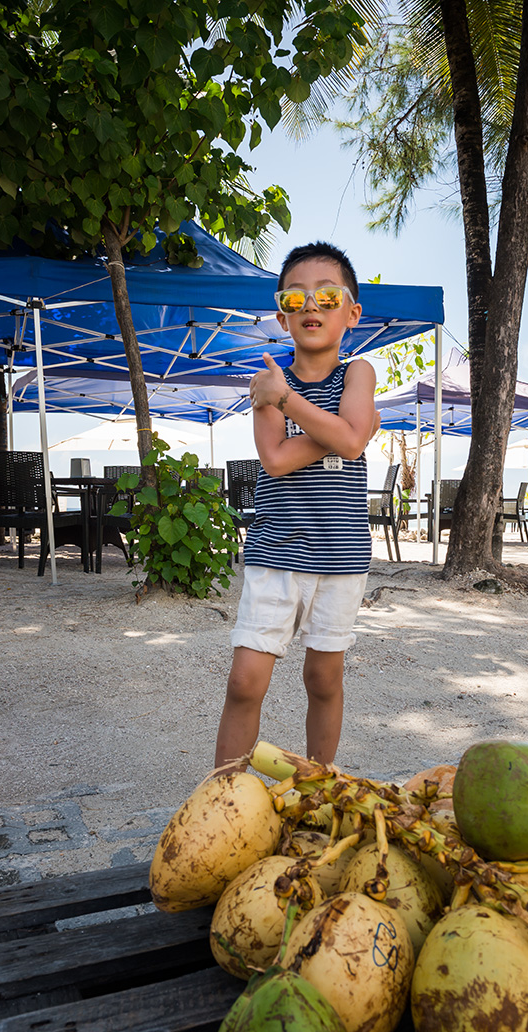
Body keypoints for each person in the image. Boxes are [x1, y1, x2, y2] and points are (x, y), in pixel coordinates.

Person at [214, 241, 378, 769]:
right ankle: (224, 797)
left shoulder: (359, 374)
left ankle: (320, 787)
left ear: (351, 313)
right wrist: (349, 431)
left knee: (323, 678)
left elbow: (349, 442)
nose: (312, 305)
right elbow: (277, 460)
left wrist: (290, 403)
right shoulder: (267, 378)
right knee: (244, 682)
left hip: (340, 554)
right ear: (282, 316)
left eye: (328, 296)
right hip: (275, 550)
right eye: (296, 296)